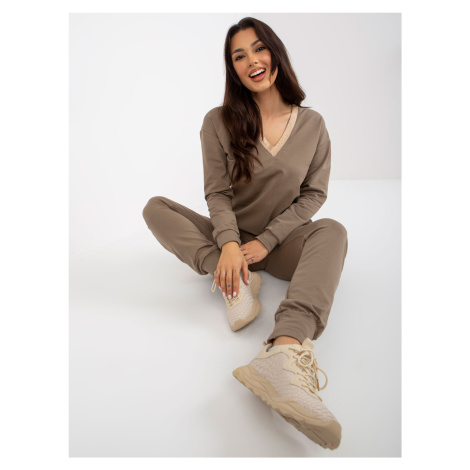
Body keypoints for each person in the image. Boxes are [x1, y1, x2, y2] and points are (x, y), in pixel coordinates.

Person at [142, 17, 348, 450]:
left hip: (283, 242)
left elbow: (313, 195)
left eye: (259, 48)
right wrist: (231, 246)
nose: (252, 60)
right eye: (239, 56)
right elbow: (217, 193)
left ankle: (283, 353)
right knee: (155, 208)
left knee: (332, 231)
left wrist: (266, 241)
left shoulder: (312, 125)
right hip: (229, 240)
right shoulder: (218, 121)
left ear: (275, 53)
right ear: (232, 69)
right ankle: (235, 279)